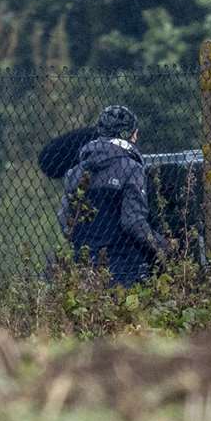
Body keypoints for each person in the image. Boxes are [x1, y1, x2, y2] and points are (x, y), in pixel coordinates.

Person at [58, 104, 167, 286]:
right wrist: (162, 247)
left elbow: (64, 218)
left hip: (85, 265)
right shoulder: (131, 168)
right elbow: (133, 222)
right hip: (124, 267)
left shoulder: (75, 172)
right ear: (132, 135)